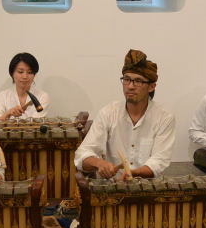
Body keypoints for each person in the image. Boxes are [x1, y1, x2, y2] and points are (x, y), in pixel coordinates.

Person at [74, 49, 174, 179]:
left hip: (147, 190)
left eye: (138, 81)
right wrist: (99, 163)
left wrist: (133, 173)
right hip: (112, 190)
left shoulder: (164, 117)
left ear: (151, 87)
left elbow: (160, 160)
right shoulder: (109, 113)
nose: (130, 86)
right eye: (127, 79)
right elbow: (81, 154)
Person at [0, 52, 50, 121]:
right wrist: (8, 113)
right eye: (20, 72)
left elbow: (35, 125)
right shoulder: (2, 96)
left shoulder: (42, 97)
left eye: (29, 72)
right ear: (12, 73)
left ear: (34, 75)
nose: (25, 76)